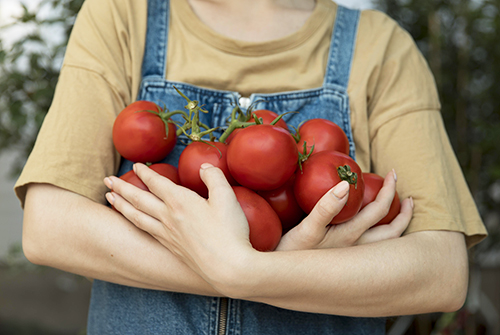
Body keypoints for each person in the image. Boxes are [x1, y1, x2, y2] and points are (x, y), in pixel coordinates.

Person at [15, 0, 487, 333]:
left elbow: (440, 273)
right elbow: (50, 226)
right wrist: (253, 264)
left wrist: (247, 272)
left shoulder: (380, 48)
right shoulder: (123, 15)